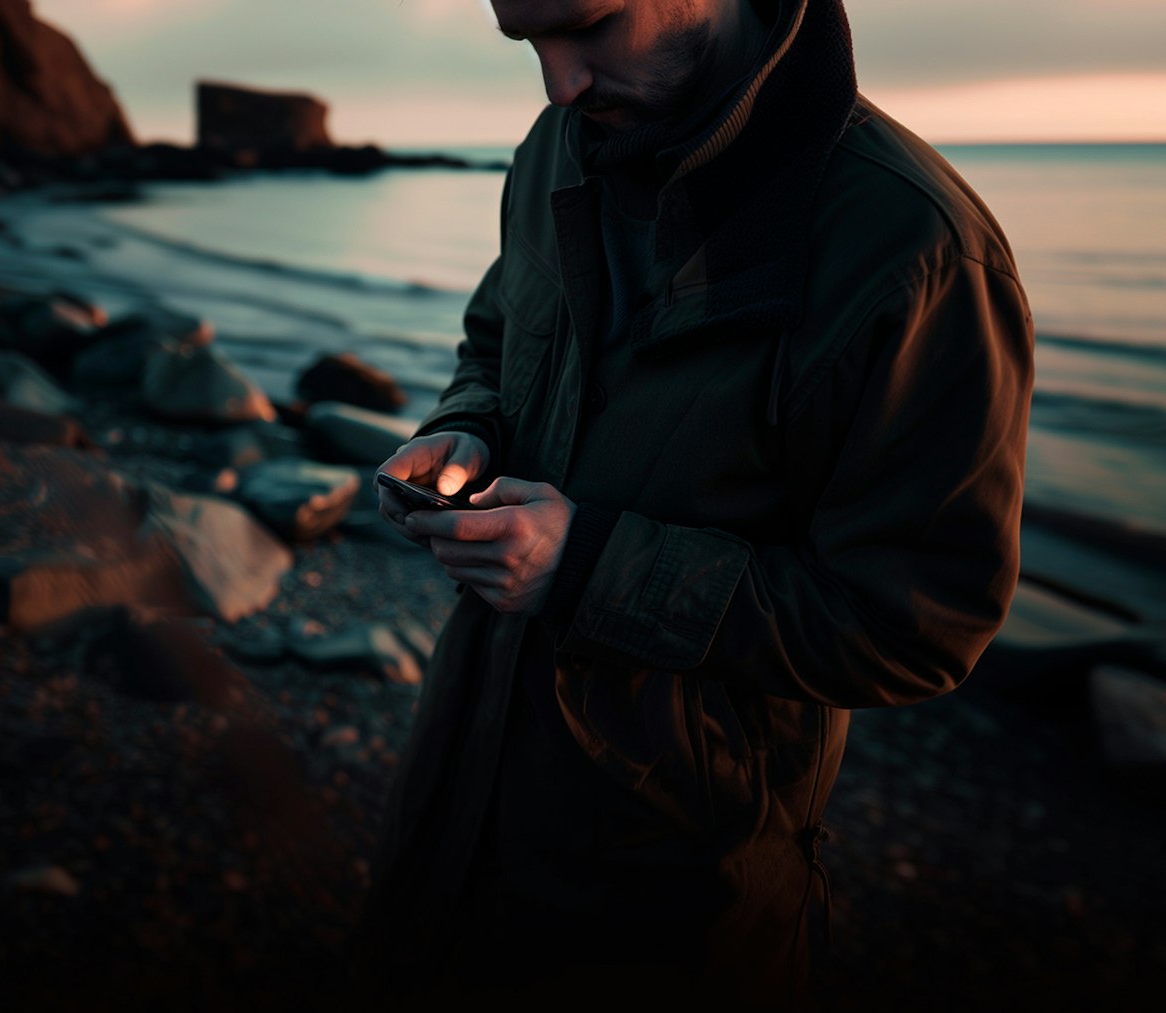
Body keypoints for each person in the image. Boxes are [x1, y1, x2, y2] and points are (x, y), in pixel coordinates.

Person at [359, 0, 1034, 1004]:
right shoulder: (557, 149)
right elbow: (497, 340)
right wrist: (470, 427)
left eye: (588, 27)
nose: (559, 85)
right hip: (452, 800)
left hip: (671, 899)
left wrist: (586, 564)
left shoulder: (915, 248)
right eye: (531, 44)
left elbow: (918, 624)